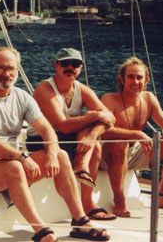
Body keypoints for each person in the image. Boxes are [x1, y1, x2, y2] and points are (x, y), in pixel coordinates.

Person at [0, 47, 110, 242]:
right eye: (1, 68)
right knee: (15, 166)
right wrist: (22, 156)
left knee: (61, 155)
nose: (6, 74)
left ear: (17, 70)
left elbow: (47, 130)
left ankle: (80, 221)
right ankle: (41, 230)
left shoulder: (22, 97)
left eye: (11, 68)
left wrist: (50, 154)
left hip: (12, 160)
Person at [100, 56, 163, 217]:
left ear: (146, 80)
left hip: (135, 151)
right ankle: (119, 201)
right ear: (122, 79)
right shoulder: (109, 99)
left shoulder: (148, 98)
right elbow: (104, 132)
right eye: (131, 77)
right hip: (108, 155)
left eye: (139, 77)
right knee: (120, 144)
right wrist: (136, 133)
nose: (135, 82)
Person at [26, 48, 116, 221]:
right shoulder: (45, 89)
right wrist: (94, 115)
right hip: (41, 140)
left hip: (65, 139)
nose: (70, 67)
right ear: (56, 65)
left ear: (80, 67)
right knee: (89, 119)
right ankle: (82, 177)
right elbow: (64, 126)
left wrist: (91, 136)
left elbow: (110, 119)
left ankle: (87, 197)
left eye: (75, 64)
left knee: (95, 145)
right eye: (65, 63)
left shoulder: (82, 89)